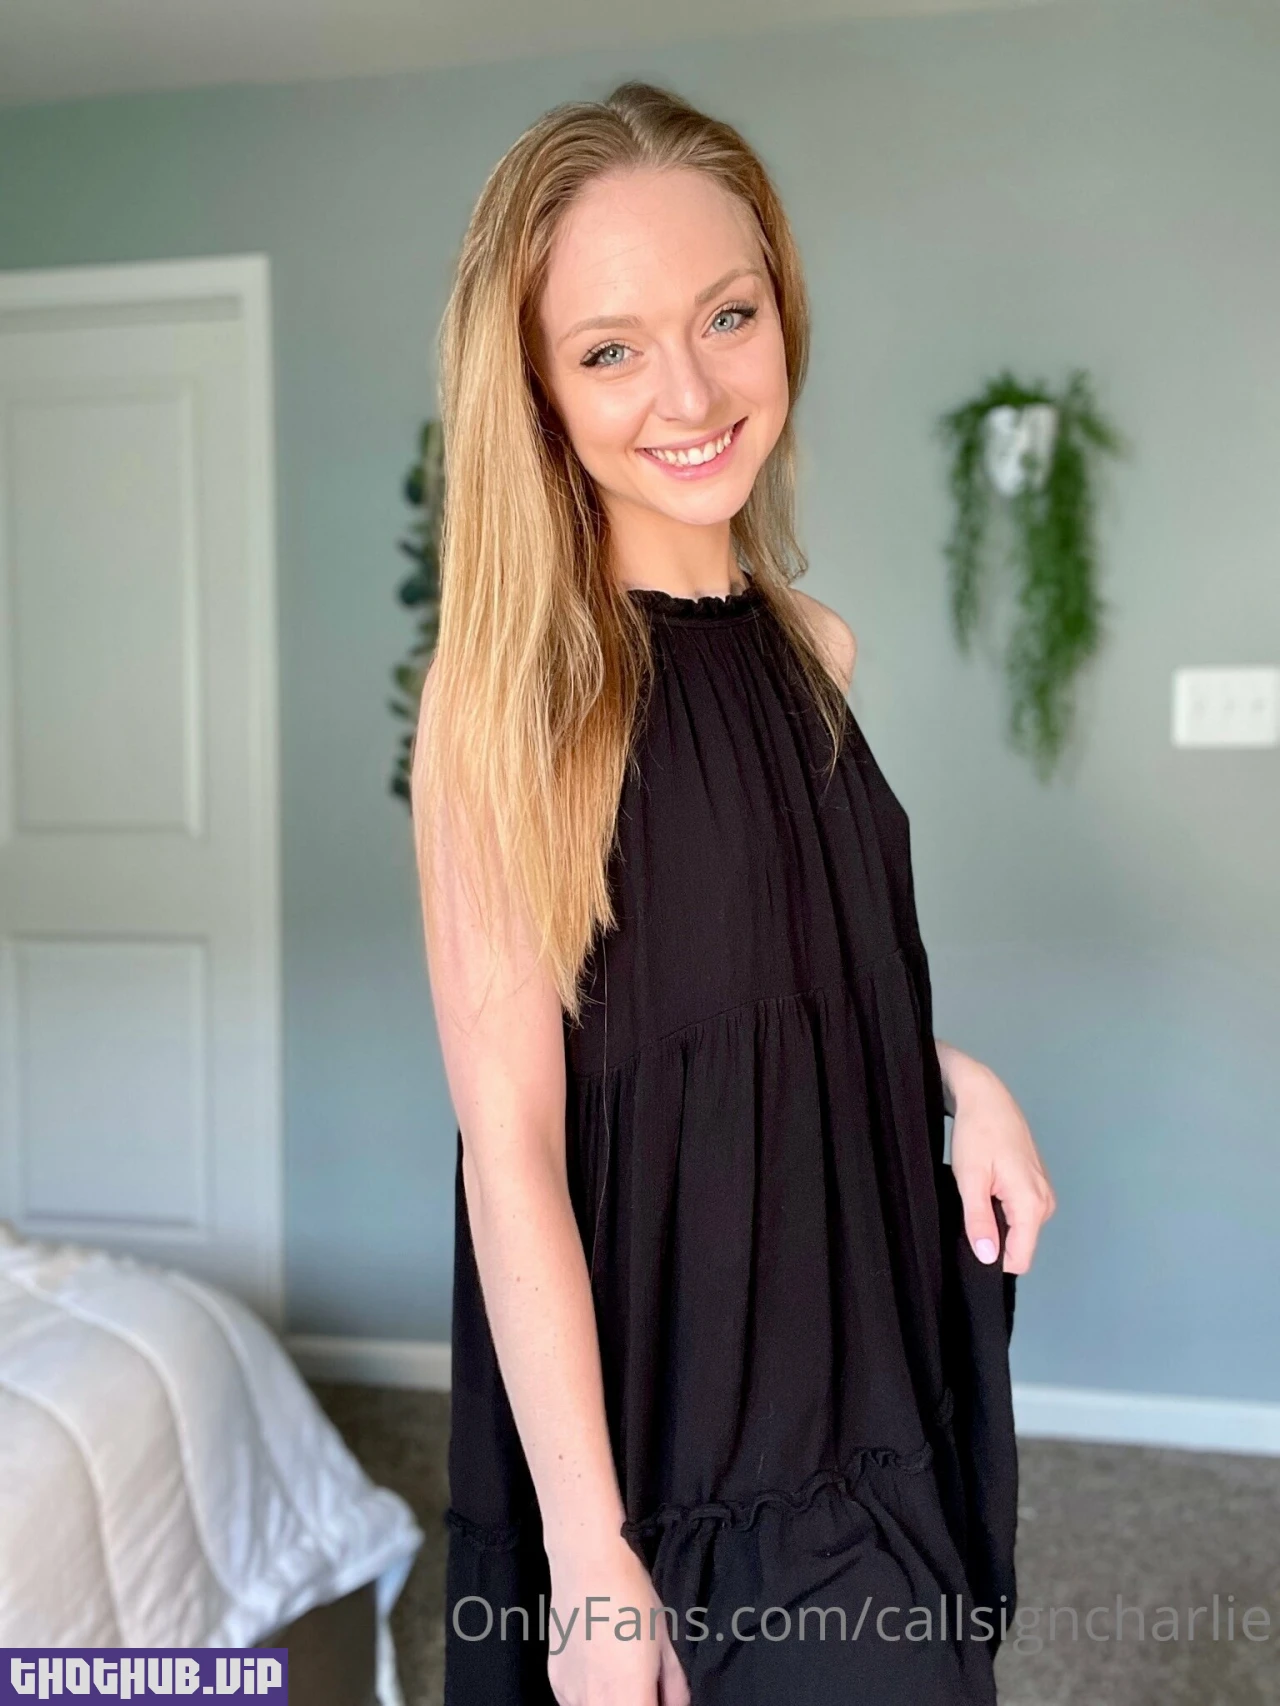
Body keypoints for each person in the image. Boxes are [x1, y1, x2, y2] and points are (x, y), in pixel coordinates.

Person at [411, 79, 1056, 1706]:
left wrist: (951, 1077)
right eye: (609, 350)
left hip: (862, 1361)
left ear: (783, 311)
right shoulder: (507, 705)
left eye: (727, 315)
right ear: (535, 390)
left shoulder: (813, 649)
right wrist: (590, 1557)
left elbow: (772, 988)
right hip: (655, 1439)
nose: (691, 392)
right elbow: (511, 1143)